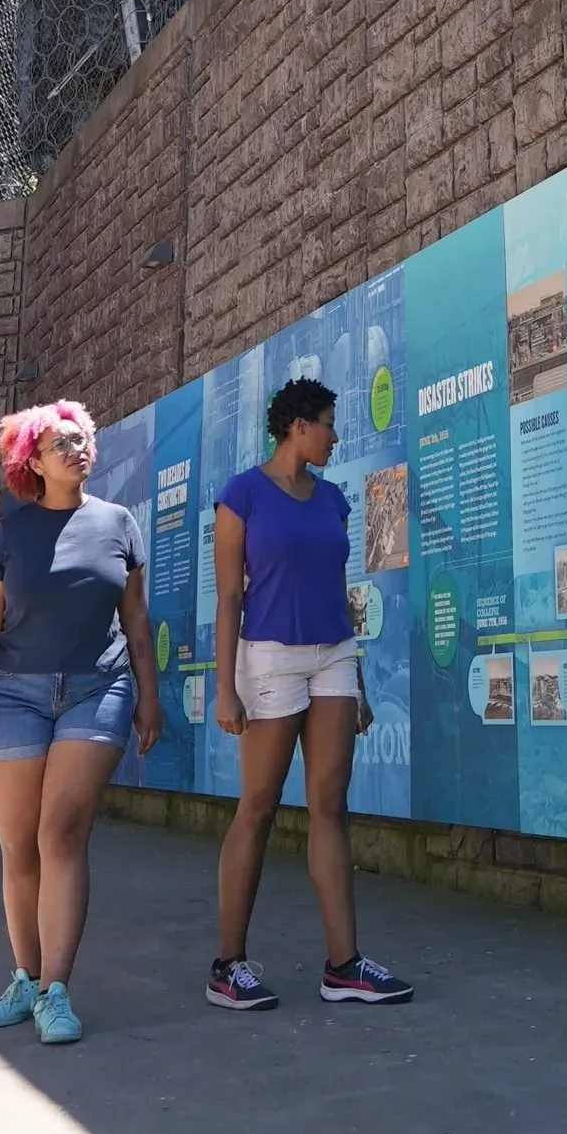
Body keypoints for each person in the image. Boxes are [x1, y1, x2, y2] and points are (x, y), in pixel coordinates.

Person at [0, 400, 161, 1044]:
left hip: (99, 689)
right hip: (12, 696)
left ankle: (56, 991)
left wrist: (149, 695)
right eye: (59, 443)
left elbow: (136, 619)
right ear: (31, 461)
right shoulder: (9, 534)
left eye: (81, 439)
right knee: (18, 846)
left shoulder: (119, 523)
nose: (76, 449)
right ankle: (26, 977)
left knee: (60, 834)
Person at [208, 374, 412, 1012]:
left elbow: (337, 590)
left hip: (334, 658)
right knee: (258, 807)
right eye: (327, 424)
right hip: (269, 659)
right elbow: (230, 597)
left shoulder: (333, 500)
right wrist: (225, 688)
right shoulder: (241, 495)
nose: (335, 436)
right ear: (298, 426)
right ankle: (228, 967)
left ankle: (344, 966)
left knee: (330, 806)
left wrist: (359, 681)